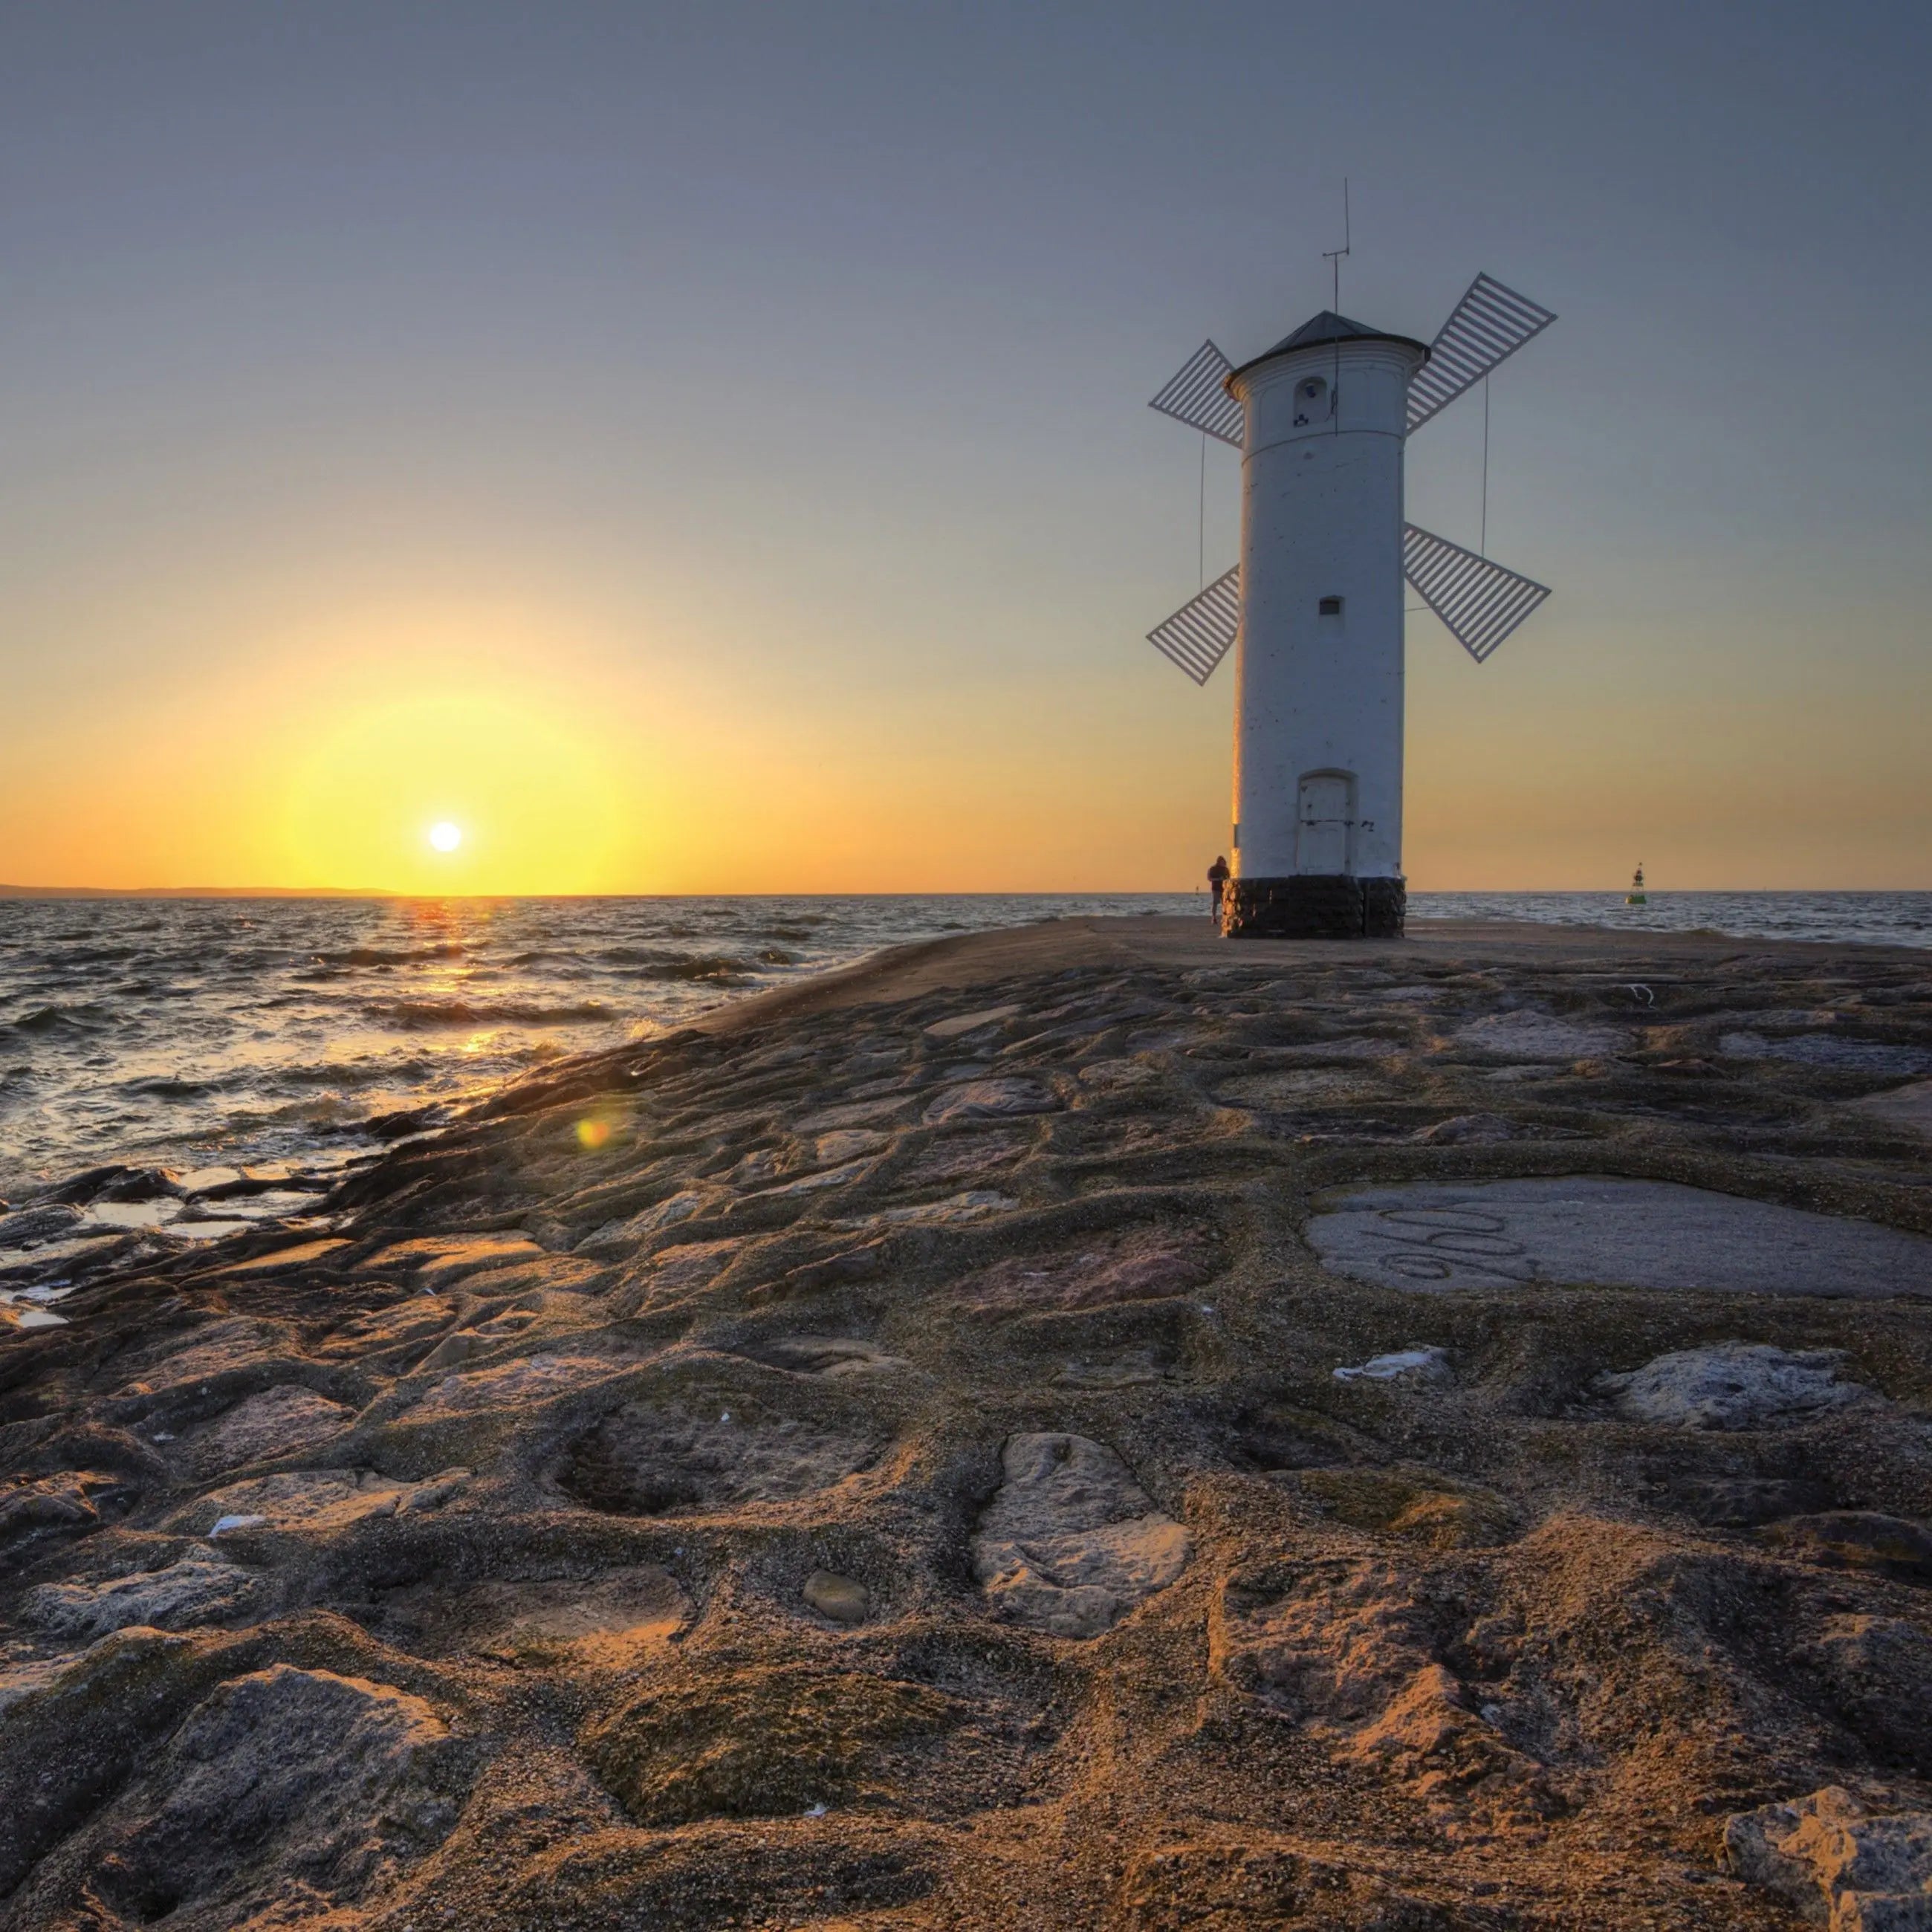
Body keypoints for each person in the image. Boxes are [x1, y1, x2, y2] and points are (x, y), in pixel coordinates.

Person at [1207, 855, 1230, 922]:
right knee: (1215, 902)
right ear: (1219, 862)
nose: (1223, 864)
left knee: (1224, 903)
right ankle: (1213, 917)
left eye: (1224, 862)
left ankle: (1225, 917)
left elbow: (1229, 878)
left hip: (1224, 889)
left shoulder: (1226, 869)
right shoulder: (1213, 869)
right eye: (1222, 862)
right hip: (1216, 888)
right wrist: (1218, 879)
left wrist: (1225, 880)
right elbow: (1209, 878)